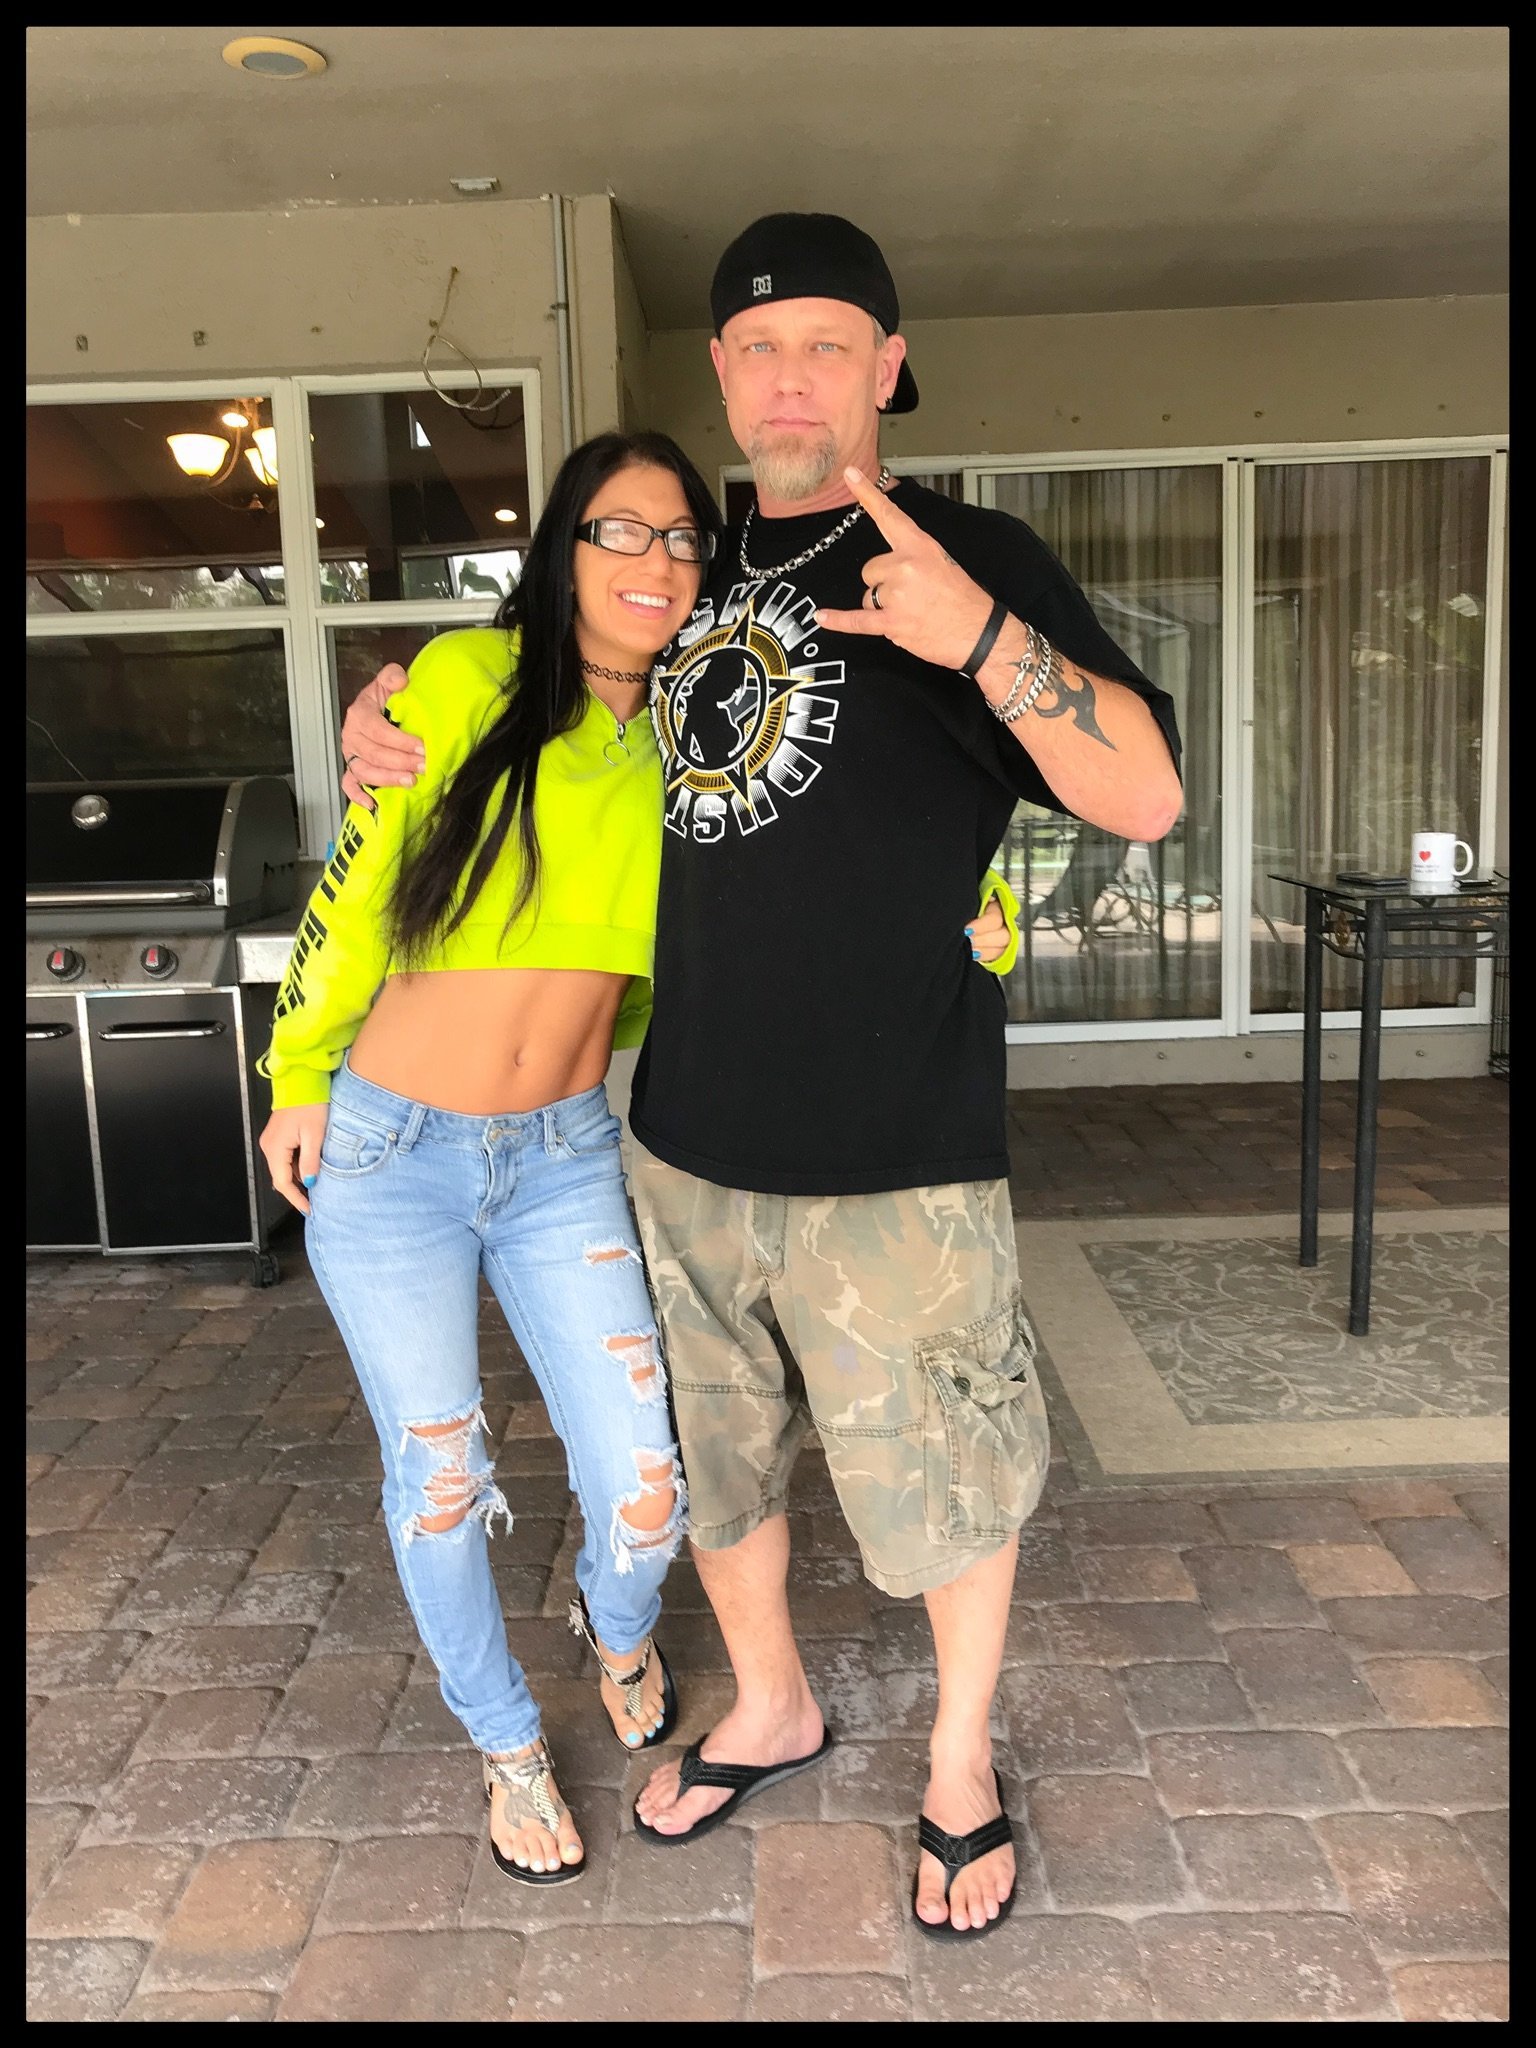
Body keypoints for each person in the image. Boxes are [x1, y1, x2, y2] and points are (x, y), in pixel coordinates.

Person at [340, 212, 1182, 1940]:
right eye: (759, 347)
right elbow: (523, 690)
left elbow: (1149, 797)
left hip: (900, 1148)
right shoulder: (678, 570)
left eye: (828, 345)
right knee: (717, 1466)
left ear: (888, 369)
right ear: (723, 375)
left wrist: (980, 640)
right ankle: (775, 1702)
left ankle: (960, 1761)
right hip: (684, 1142)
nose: (791, 377)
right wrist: (385, 724)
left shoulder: (974, 555)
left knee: (946, 1475)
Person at [257, 432, 716, 1889]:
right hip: (390, 1151)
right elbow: (358, 886)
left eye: (682, 538)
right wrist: (295, 1071)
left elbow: (840, 846)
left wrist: (976, 908)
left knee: (646, 1484)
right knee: (441, 1475)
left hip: (564, 1155)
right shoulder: (464, 683)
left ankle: (615, 1627)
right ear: (564, 550)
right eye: (620, 530)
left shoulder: (703, 732)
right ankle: (507, 1742)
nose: (655, 561)